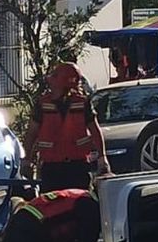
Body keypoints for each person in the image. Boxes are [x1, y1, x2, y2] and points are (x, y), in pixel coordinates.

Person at [24, 63, 108, 191]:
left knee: (79, 205)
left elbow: (95, 130)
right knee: (52, 207)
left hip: (77, 166)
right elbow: (31, 134)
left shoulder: (82, 103)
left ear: (60, 81)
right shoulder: (42, 104)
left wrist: (102, 158)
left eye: (55, 76)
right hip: (51, 167)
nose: (50, 81)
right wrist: (26, 160)